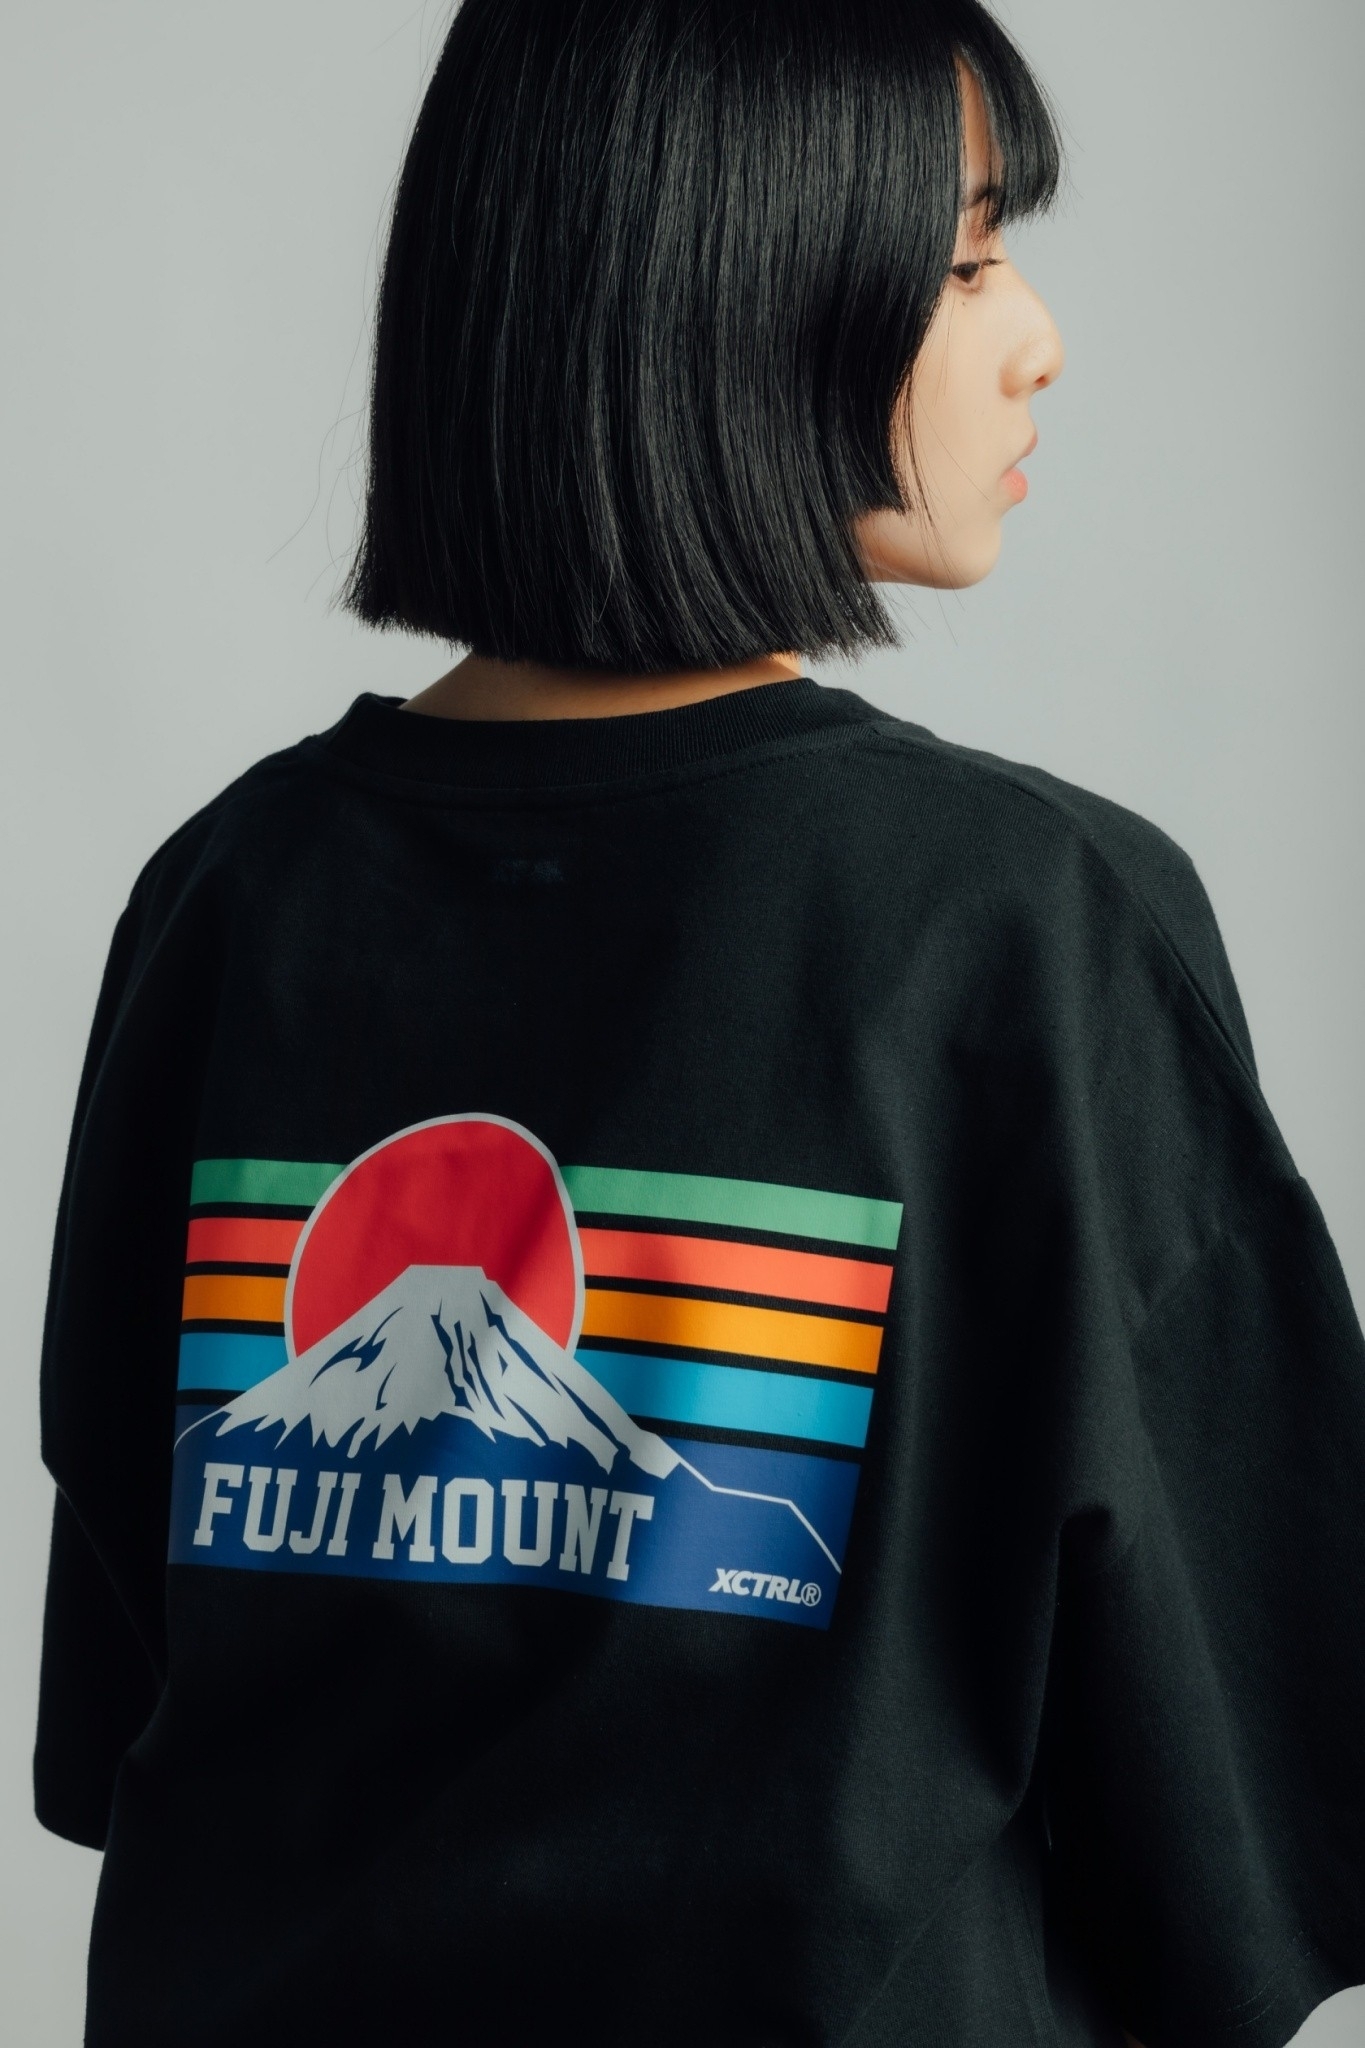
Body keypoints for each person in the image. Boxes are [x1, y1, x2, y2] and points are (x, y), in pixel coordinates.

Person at [32, 3, 1365, 2043]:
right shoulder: (1024, 927)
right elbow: (1247, 1794)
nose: (1036, 340)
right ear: (731, 286)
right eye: (966, 261)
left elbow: (137, 1719)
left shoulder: (226, 899)